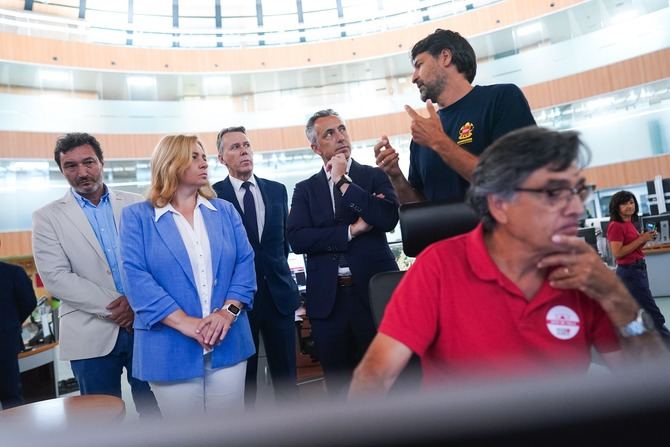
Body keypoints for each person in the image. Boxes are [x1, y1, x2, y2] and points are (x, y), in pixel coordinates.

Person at [350, 127, 668, 396]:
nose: (575, 208)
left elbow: (650, 386)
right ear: (500, 205)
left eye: (577, 191)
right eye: (554, 193)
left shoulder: (585, 274)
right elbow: (374, 378)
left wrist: (618, 299)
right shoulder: (438, 267)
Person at [119, 134, 256, 416]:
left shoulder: (225, 211)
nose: (203, 162)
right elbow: (136, 279)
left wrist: (226, 314)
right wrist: (186, 324)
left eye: (204, 156)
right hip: (168, 347)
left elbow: (245, 264)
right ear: (170, 163)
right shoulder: (137, 217)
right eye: (194, 156)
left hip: (227, 341)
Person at [32, 133, 158, 416]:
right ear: (62, 170)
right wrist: (120, 307)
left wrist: (136, 304)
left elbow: (156, 261)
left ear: (101, 162)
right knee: (101, 422)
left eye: (88, 162)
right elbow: (56, 277)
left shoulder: (137, 204)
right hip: (88, 333)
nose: (82, 172)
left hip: (146, 325)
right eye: (71, 166)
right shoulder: (47, 217)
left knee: (156, 411)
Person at [287, 109, 399, 398]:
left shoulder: (372, 176)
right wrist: (351, 231)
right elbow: (298, 239)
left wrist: (343, 182)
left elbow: (387, 219)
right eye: (329, 134)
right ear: (315, 147)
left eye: (342, 129)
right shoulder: (305, 190)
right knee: (339, 389)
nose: (339, 137)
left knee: (385, 383)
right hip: (329, 302)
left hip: (372, 295)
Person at [374, 28, 536, 204]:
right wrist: (396, 177)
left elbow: (515, 181)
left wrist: (439, 142)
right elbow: (420, 209)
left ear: (445, 57)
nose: (413, 78)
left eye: (419, 65)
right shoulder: (423, 137)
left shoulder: (502, 98)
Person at [212, 126, 300, 407]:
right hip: (238, 304)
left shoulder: (277, 190)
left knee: (287, 381)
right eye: (235, 147)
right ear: (221, 157)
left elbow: (281, 245)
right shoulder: (212, 197)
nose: (244, 151)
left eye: (246, 145)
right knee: (243, 383)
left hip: (279, 298)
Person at [606, 191, 670, 342]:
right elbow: (618, 253)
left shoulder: (629, 223)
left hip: (639, 269)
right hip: (630, 273)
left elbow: (634, 249)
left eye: (631, 202)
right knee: (653, 313)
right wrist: (642, 238)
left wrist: (645, 238)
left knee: (641, 312)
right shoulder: (616, 226)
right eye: (625, 203)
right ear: (617, 207)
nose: (629, 206)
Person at [0, 250, 37, 409]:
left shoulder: (13, 273)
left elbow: (29, 303)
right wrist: (11, 324)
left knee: (11, 399)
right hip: (5, 343)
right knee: (11, 399)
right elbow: (28, 303)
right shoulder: (13, 273)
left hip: (5, 346)